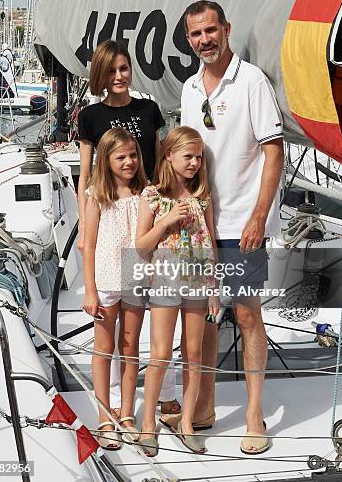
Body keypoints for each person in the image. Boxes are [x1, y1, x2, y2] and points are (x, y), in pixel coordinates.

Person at [163, 0, 284, 455]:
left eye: (210, 31)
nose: (204, 40)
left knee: (248, 315)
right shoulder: (191, 88)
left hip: (241, 223)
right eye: (195, 34)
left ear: (226, 29)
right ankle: (206, 405)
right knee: (204, 318)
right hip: (199, 225)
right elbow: (186, 154)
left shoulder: (251, 81)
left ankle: (254, 415)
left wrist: (258, 216)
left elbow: (274, 151)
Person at [77, 39, 180, 417]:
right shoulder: (90, 116)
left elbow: (156, 164)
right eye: (112, 70)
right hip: (106, 231)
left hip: (145, 210)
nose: (119, 76)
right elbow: (87, 173)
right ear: (100, 74)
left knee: (140, 334)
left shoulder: (148, 109)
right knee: (109, 342)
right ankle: (109, 410)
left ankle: (150, 401)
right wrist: (83, 218)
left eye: (124, 68)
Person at [135, 126, 220, 456]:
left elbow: (210, 242)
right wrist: (166, 221)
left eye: (199, 157)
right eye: (188, 156)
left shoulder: (202, 197)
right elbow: (141, 245)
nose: (195, 163)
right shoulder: (153, 196)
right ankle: (147, 425)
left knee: (194, 354)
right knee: (160, 354)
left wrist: (214, 288)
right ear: (169, 156)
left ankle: (186, 423)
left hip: (198, 284)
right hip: (166, 282)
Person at [83, 127, 147, 449]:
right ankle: (104, 414)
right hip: (107, 279)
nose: (129, 162)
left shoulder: (146, 193)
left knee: (130, 346)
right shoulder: (97, 194)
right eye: (120, 157)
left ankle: (127, 413)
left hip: (136, 278)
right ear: (106, 161)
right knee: (104, 347)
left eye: (133, 155)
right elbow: (90, 245)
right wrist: (90, 290)